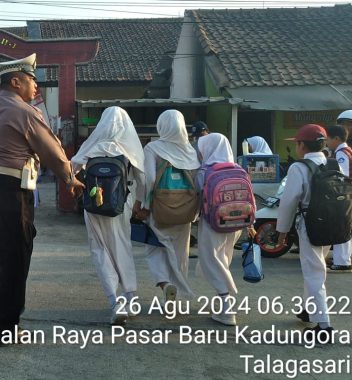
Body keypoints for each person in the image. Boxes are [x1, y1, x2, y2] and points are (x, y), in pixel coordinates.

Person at [0, 53, 84, 346]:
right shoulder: (26, 112)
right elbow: (52, 152)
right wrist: (69, 178)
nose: (35, 87)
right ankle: (8, 328)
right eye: (31, 81)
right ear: (15, 81)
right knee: (14, 255)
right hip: (10, 188)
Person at [71, 106, 145, 325]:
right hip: (122, 204)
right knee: (122, 245)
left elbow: (71, 169)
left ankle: (114, 301)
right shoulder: (130, 146)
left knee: (100, 249)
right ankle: (130, 296)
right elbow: (143, 179)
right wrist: (141, 202)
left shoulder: (92, 144)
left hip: (93, 204)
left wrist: (74, 183)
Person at [277, 124, 334, 341]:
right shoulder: (331, 163)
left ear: (302, 145)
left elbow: (289, 201)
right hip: (331, 223)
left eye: (297, 143)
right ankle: (309, 309)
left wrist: (282, 231)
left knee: (314, 272)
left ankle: (324, 325)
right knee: (315, 266)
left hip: (309, 224)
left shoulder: (298, 168)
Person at [135, 110, 199, 304]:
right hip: (186, 211)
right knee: (180, 253)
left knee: (156, 248)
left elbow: (149, 179)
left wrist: (143, 204)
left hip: (160, 208)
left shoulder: (153, 148)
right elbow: (197, 181)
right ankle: (179, 295)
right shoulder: (191, 151)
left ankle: (165, 283)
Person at [194, 133, 245, 326]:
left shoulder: (204, 171)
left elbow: (198, 195)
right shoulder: (238, 168)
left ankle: (227, 305)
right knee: (223, 259)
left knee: (212, 260)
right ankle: (222, 300)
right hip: (237, 222)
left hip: (212, 222)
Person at [325, 125, 352, 273]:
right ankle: (343, 258)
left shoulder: (341, 153)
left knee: (341, 227)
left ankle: (342, 262)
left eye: (328, 139)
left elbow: (342, 175)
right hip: (348, 194)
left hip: (344, 194)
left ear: (336, 138)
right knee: (345, 226)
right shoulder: (347, 150)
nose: (327, 142)